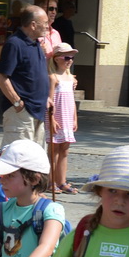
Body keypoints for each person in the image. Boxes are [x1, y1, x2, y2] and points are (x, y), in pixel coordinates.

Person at [0, 4, 50, 147]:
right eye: (44, 23)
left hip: (38, 111)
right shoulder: (15, 44)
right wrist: (17, 102)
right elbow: (1, 77)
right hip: (21, 112)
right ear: (33, 25)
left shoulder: (36, 44)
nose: (47, 26)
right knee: (18, 158)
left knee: (35, 161)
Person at [47, 45, 78, 193]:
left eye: (72, 58)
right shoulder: (53, 77)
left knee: (65, 150)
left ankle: (62, 181)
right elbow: (50, 100)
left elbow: (72, 100)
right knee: (54, 150)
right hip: (56, 117)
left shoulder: (71, 78)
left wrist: (75, 118)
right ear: (56, 58)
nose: (69, 61)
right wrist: (51, 118)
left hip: (67, 117)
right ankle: (49, 181)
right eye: (66, 57)